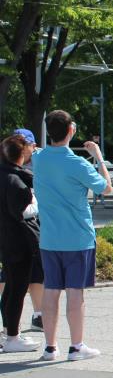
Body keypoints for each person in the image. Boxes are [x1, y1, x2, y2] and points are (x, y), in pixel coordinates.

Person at [33, 111, 111, 361]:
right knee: (75, 292)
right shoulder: (78, 163)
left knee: (51, 291)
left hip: (49, 238)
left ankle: (50, 348)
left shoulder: (39, 159)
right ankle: (76, 347)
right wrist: (98, 156)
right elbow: (106, 188)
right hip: (77, 238)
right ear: (71, 130)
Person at [0, 134, 43, 352]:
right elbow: (24, 212)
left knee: (11, 287)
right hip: (18, 242)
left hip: (6, 240)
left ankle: (8, 332)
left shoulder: (5, 175)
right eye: (29, 148)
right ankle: (12, 338)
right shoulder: (16, 181)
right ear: (21, 153)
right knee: (17, 289)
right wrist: (36, 202)